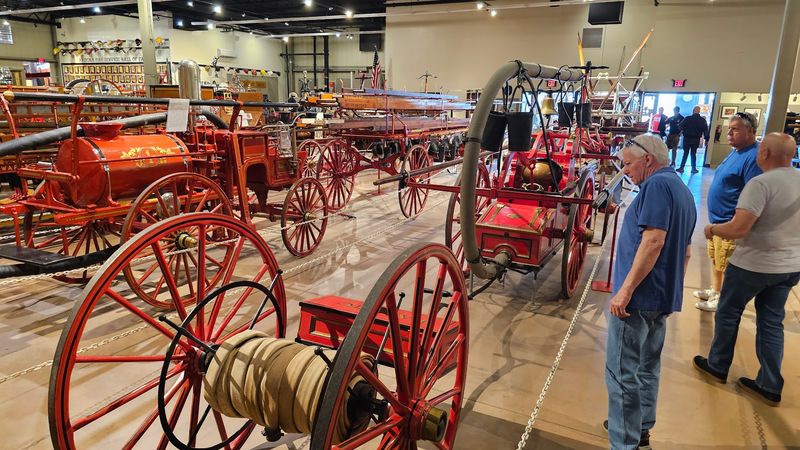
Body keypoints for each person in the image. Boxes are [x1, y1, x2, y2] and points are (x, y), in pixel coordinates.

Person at [692, 133, 800, 406]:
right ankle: (770, 384)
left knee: (729, 313)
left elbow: (739, 228)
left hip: (753, 264)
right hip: (789, 266)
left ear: (764, 153)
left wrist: (712, 229)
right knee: (771, 321)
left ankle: (717, 365)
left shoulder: (761, 184)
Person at [605, 134, 696, 449]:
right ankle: (640, 427)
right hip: (661, 297)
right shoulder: (681, 189)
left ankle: (624, 442)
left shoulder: (656, 186)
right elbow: (686, 252)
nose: (626, 171)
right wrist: (672, 291)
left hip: (637, 300)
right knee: (647, 367)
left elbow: (654, 240)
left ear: (648, 159)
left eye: (628, 164)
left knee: (620, 372)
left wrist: (625, 290)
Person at [694, 112, 762, 312]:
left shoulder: (753, 157)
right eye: (729, 129)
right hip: (718, 219)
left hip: (730, 221)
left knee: (727, 264)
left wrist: (737, 222)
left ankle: (724, 300)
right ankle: (716, 290)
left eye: (735, 129)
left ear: (750, 131)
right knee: (717, 259)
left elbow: (753, 193)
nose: (729, 133)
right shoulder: (736, 151)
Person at [677, 106, 709, 173]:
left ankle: (681, 168)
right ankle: (693, 169)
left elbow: (680, 127)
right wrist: (706, 140)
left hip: (687, 138)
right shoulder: (702, 120)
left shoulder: (687, 118)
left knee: (685, 153)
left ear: (693, 111)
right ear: (699, 111)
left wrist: (684, 130)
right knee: (693, 154)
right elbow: (706, 131)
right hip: (696, 139)